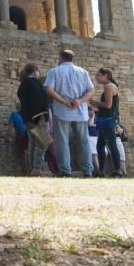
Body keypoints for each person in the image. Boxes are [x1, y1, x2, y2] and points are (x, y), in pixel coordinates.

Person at [44, 49, 95, 177]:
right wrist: (80, 101)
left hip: (62, 111)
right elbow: (91, 90)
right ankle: (88, 170)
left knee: (62, 141)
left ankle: (65, 170)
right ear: (72, 58)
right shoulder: (83, 72)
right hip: (80, 110)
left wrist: (64, 102)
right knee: (84, 141)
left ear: (60, 57)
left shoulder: (54, 71)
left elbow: (49, 90)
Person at [16, 63, 50, 176]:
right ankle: (36, 168)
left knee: (32, 144)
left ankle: (32, 169)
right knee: (41, 143)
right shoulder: (34, 83)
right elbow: (39, 101)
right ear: (35, 70)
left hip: (27, 119)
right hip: (37, 118)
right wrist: (41, 116)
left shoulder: (22, 85)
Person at [92, 68, 123, 177]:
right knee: (100, 145)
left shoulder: (108, 86)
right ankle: (101, 171)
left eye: (98, 75)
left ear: (106, 75)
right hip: (107, 120)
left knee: (111, 145)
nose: (96, 77)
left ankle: (118, 171)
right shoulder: (112, 86)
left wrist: (95, 102)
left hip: (107, 120)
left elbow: (108, 105)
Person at [88, 108, 100, 176]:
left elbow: (100, 125)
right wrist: (92, 117)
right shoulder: (87, 117)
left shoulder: (98, 117)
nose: (92, 111)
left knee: (104, 153)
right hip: (91, 137)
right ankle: (98, 171)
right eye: (90, 110)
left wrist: (94, 125)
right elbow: (89, 124)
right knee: (94, 154)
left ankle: (99, 170)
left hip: (98, 137)